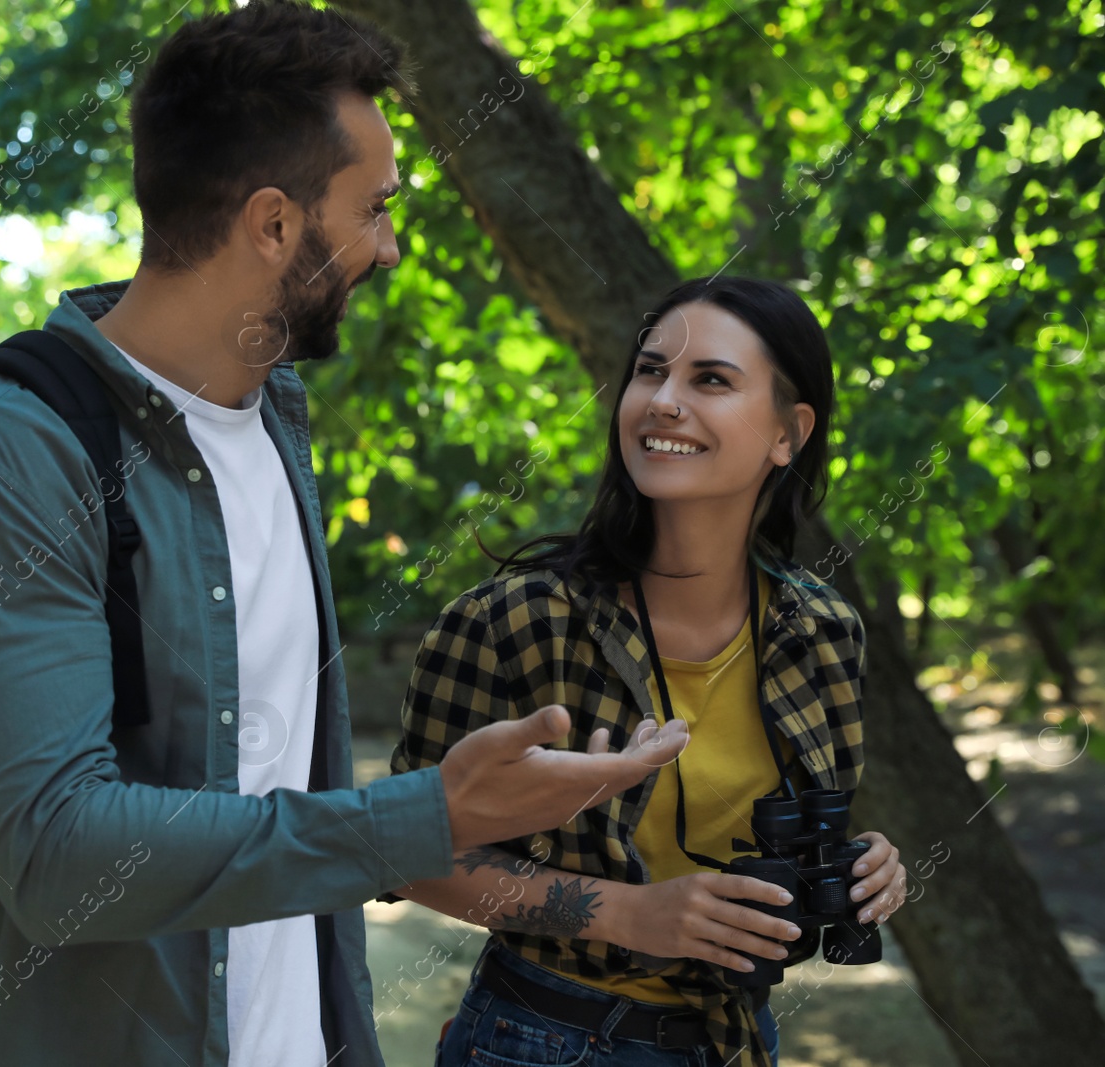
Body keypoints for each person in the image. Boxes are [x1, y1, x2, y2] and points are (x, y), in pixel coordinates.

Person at [0, 4, 686, 1066]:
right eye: (374, 208)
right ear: (272, 224)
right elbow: (55, 854)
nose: (389, 245)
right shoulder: (11, 456)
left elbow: (278, 777)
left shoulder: (275, 417)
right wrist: (422, 812)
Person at [382, 276, 910, 1066]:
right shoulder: (511, 623)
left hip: (737, 1040)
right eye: (650, 371)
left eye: (711, 380)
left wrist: (865, 866)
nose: (663, 400)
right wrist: (625, 913)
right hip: (541, 1039)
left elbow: (794, 832)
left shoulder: (826, 633)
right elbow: (403, 854)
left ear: (787, 433)